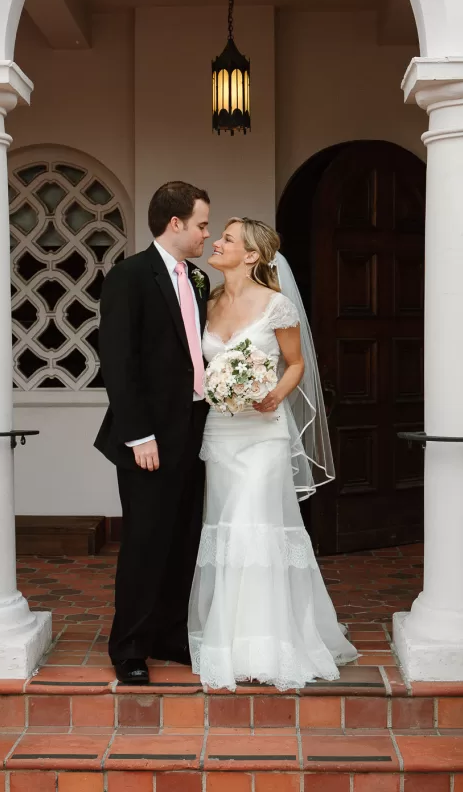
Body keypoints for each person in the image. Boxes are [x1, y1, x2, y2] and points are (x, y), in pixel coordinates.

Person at [189, 217, 358, 691]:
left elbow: (296, 363)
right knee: (226, 530)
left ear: (251, 256)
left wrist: (274, 395)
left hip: (264, 432)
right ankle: (229, 641)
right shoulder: (208, 302)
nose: (216, 243)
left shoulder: (277, 305)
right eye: (217, 235)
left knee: (253, 526)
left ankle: (268, 645)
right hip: (222, 431)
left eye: (226, 238)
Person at [95, 181, 211, 685]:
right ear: (176, 223)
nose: (207, 233)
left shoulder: (199, 279)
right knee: (144, 540)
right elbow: (118, 363)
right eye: (203, 224)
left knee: (182, 537)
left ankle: (168, 633)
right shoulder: (130, 276)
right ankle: (130, 646)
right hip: (149, 437)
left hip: (195, 429)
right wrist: (139, 435)